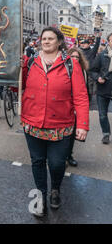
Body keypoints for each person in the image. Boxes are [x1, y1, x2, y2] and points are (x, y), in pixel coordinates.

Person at [21, 26, 89, 217]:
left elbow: (81, 97)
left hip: (61, 126)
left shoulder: (71, 65)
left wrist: (82, 124)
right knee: (37, 162)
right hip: (33, 123)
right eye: (44, 39)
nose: (46, 41)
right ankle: (41, 195)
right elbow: (18, 87)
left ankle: (55, 189)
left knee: (57, 164)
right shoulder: (31, 61)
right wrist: (17, 69)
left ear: (59, 42)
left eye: (51, 38)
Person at [66, 46, 89, 167]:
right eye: (72, 56)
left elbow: (85, 91)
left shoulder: (83, 71)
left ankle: (69, 155)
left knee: (72, 134)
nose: (74, 59)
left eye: (77, 57)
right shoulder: (65, 69)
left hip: (77, 108)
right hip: (66, 107)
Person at [89, 33, 112, 145]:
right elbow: (92, 70)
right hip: (103, 90)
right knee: (102, 114)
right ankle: (106, 134)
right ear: (108, 41)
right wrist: (97, 78)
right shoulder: (102, 55)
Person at [79, 32, 101, 101]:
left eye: (85, 44)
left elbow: (96, 46)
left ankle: (89, 99)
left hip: (90, 73)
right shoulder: (79, 52)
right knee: (81, 87)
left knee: (89, 88)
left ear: (89, 44)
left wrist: (98, 38)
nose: (83, 45)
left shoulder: (92, 51)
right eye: (82, 44)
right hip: (81, 72)